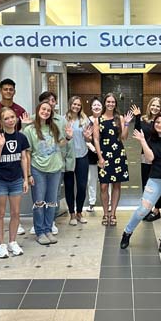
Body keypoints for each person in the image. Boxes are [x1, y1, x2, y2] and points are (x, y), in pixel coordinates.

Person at [120, 114, 161, 253]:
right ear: (154, 123)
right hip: (155, 178)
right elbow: (150, 158)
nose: (160, 125)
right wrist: (143, 141)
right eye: (157, 122)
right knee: (143, 209)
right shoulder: (151, 138)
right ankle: (127, 232)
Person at [24, 101, 73, 245]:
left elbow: (60, 144)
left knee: (52, 202)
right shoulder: (30, 130)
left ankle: (48, 229)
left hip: (55, 169)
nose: (45, 112)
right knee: (39, 202)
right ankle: (40, 231)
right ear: (38, 110)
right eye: (43, 109)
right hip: (38, 169)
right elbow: (27, 154)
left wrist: (68, 137)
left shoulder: (54, 127)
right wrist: (28, 174)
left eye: (48, 110)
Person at [0, 107, 30, 258]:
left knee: (15, 212)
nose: (10, 120)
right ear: (1, 121)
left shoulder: (21, 137)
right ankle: (1, 244)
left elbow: (24, 158)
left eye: (12, 117)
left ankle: (12, 241)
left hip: (16, 180)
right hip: (0, 180)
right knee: (0, 214)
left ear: (17, 118)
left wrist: (25, 179)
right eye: (6, 118)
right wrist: (0, 145)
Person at [93, 93, 134, 226]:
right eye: (108, 102)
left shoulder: (119, 118)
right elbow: (96, 139)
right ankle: (105, 213)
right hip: (104, 154)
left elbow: (124, 137)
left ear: (115, 104)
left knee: (117, 184)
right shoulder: (98, 120)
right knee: (104, 186)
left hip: (118, 154)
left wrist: (127, 123)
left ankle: (113, 213)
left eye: (113, 102)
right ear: (105, 103)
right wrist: (99, 157)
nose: (110, 104)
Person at [131, 97, 161, 222]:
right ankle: (146, 209)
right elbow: (137, 132)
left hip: (159, 156)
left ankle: (157, 210)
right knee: (146, 182)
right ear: (149, 106)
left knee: (159, 182)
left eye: (157, 106)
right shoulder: (144, 119)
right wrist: (137, 117)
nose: (155, 108)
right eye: (153, 105)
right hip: (145, 155)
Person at [64, 96, 93, 225]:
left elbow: (88, 139)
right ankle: (71, 214)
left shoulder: (85, 120)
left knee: (82, 186)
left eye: (78, 105)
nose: (76, 106)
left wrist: (88, 138)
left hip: (82, 156)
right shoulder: (64, 120)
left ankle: (79, 212)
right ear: (70, 105)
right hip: (69, 157)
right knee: (69, 186)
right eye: (74, 104)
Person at [86, 97, 110, 212]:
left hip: (106, 154)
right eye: (94, 105)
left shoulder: (106, 119)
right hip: (91, 154)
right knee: (92, 178)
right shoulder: (87, 120)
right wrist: (94, 149)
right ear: (91, 107)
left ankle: (109, 202)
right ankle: (92, 202)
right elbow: (85, 137)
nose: (97, 107)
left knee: (108, 179)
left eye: (99, 105)